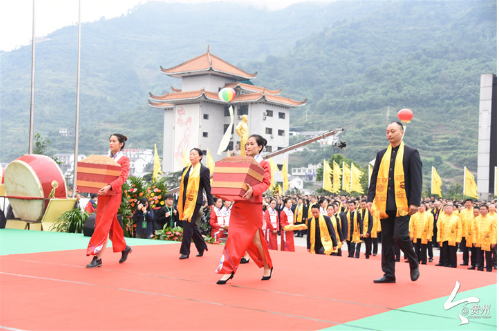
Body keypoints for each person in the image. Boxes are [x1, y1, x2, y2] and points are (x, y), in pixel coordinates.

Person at [368, 122, 422, 283]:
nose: (389, 134)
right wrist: (370, 199)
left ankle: (413, 261)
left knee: (399, 236)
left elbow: (417, 180)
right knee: (386, 239)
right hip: (384, 204)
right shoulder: (381, 154)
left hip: (403, 204)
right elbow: (374, 178)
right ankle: (389, 273)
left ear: (402, 132)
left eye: (393, 131)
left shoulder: (411, 153)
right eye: (387, 132)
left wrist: (414, 202)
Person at [216, 134, 273, 284]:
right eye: (246, 144)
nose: (247, 147)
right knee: (233, 236)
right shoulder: (240, 162)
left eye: (251, 144)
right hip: (239, 204)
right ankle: (228, 270)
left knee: (256, 240)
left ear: (259, 147)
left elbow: (266, 183)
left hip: (253, 205)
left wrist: (253, 190)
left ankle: (267, 266)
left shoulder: (264, 164)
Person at [86, 133, 132, 268]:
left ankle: (97, 257)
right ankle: (124, 248)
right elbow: (97, 176)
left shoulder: (124, 160)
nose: (111, 143)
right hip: (102, 195)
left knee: (102, 225)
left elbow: (122, 178)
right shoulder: (106, 158)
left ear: (121, 144)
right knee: (110, 226)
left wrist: (109, 186)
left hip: (114, 195)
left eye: (114, 141)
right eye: (110, 141)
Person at [178, 148, 214, 259]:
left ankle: (185, 251)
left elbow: (208, 187)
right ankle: (202, 246)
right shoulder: (185, 169)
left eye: (194, 154)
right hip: (185, 200)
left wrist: (210, 202)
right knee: (192, 224)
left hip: (195, 201)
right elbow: (182, 187)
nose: (191, 156)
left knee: (187, 223)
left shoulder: (204, 170)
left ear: (200, 157)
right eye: (190, 154)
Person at [436, 203, 462, 268]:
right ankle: (445, 264)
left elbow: (459, 229)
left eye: (450, 208)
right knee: (444, 252)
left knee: (452, 252)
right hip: (444, 237)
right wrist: (438, 238)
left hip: (453, 238)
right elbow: (439, 228)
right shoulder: (442, 217)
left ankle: (453, 264)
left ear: (453, 209)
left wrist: (458, 239)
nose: (448, 210)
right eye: (447, 208)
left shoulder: (457, 218)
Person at [473, 205, 497, 272]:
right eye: (481, 209)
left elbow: (494, 231)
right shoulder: (476, 219)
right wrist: (474, 240)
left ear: (487, 210)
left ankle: (489, 268)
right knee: (479, 255)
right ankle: (480, 268)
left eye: (484, 209)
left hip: (488, 240)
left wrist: (493, 241)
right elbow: (474, 230)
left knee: (488, 255)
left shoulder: (492, 219)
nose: (482, 211)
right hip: (479, 239)